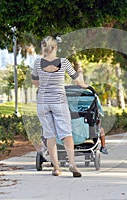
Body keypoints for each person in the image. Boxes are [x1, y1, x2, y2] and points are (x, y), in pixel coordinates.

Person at [31, 36, 88, 177]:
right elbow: (77, 80)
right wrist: (84, 86)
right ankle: (72, 163)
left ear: (44, 48)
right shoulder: (64, 62)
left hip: (43, 102)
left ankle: (56, 168)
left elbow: (35, 82)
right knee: (66, 134)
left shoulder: (38, 63)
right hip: (59, 102)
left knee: (50, 135)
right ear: (55, 48)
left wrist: (44, 86)